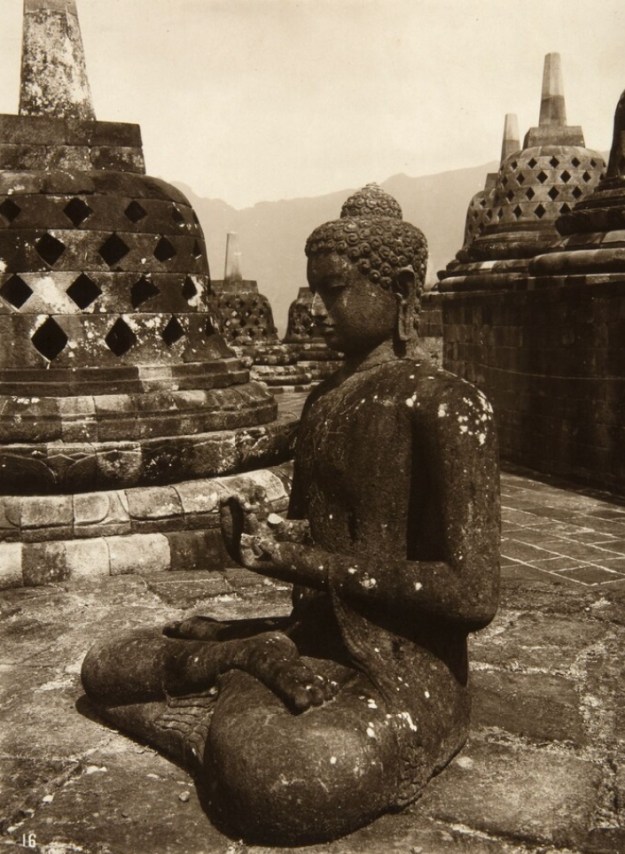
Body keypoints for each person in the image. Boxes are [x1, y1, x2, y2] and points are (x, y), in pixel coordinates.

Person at [82, 184, 500, 845]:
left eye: (335, 291)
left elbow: (472, 593)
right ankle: (248, 659)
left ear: (398, 289)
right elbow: (316, 530)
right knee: (104, 666)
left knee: (287, 778)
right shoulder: (323, 401)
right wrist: (265, 536)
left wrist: (305, 560)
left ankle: (225, 711)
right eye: (316, 289)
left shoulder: (448, 406)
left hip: (401, 671)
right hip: (307, 639)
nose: (320, 308)